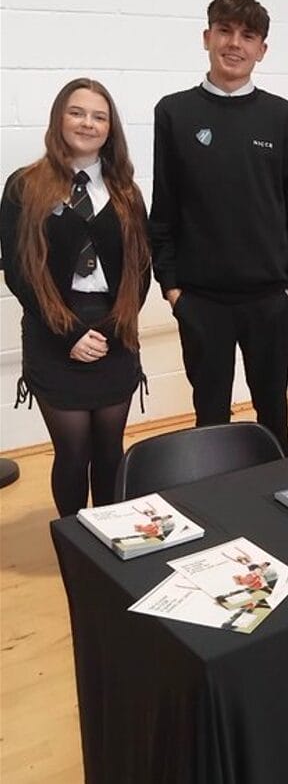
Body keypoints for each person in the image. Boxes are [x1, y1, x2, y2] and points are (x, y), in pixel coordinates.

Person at [149, 0, 288, 456]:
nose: (234, 43)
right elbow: (163, 211)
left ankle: (281, 499)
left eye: (248, 35)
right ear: (207, 37)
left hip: (270, 300)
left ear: (262, 49)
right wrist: (173, 290)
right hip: (201, 302)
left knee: (274, 415)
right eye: (224, 31)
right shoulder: (174, 112)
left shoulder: (280, 116)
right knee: (210, 421)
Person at [0, 78, 150, 517]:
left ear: (110, 128)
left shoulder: (125, 191)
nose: (88, 123)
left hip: (113, 329)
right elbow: (20, 271)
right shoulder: (24, 186)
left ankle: (109, 532)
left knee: (109, 449)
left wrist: (112, 329)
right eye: (77, 112)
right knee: (72, 450)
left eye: (99, 117)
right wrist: (68, 333)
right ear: (59, 119)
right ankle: (74, 538)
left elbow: (140, 269)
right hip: (53, 329)